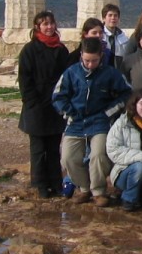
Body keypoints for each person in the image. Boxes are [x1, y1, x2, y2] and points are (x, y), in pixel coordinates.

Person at [53, 36, 133, 207]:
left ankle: (99, 191)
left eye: (94, 60)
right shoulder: (71, 72)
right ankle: (83, 187)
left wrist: (108, 112)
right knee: (68, 157)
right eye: (87, 60)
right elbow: (58, 96)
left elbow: (127, 93)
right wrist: (69, 113)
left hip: (99, 121)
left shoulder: (111, 73)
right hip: (75, 122)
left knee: (98, 155)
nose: (90, 64)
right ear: (81, 54)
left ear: (101, 57)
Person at [17, 10, 71, 199]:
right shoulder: (29, 50)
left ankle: (56, 183)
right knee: (38, 148)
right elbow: (24, 78)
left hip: (55, 106)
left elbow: (67, 76)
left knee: (54, 147)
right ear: (37, 27)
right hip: (37, 106)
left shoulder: (61, 49)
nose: (49, 27)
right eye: (44, 24)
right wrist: (31, 101)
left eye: (51, 23)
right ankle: (40, 184)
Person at [101, 3, 133, 70]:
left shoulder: (124, 37)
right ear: (104, 18)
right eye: (110, 15)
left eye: (115, 16)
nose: (113, 18)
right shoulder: (99, 36)